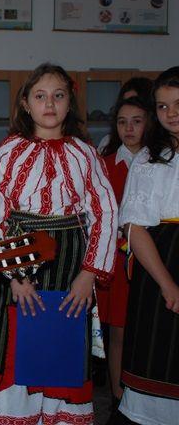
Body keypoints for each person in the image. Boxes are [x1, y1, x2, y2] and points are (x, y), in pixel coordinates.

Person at [0, 63, 117, 425]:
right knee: (18, 343)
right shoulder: (8, 151)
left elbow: (105, 212)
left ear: (70, 102)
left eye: (58, 95)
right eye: (40, 96)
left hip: (72, 263)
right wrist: (15, 277)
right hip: (20, 257)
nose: (50, 104)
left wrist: (89, 274)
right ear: (26, 104)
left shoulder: (86, 153)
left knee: (63, 343)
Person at [117, 67, 179, 425]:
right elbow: (135, 226)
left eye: (178, 104)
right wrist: (166, 283)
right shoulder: (148, 158)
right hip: (159, 265)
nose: (171, 113)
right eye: (162, 106)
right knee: (159, 356)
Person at [95, 96, 153, 413]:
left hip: (152, 257)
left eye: (137, 121)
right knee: (117, 331)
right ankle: (117, 400)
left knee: (147, 330)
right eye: (122, 122)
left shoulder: (158, 162)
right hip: (117, 259)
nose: (129, 128)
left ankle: (144, 397)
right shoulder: (104, 165)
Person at [96, 77, 154, 153]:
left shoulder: (163, 150)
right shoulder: (107, 142)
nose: (128, 107)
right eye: (126, 101)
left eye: (135, 101)